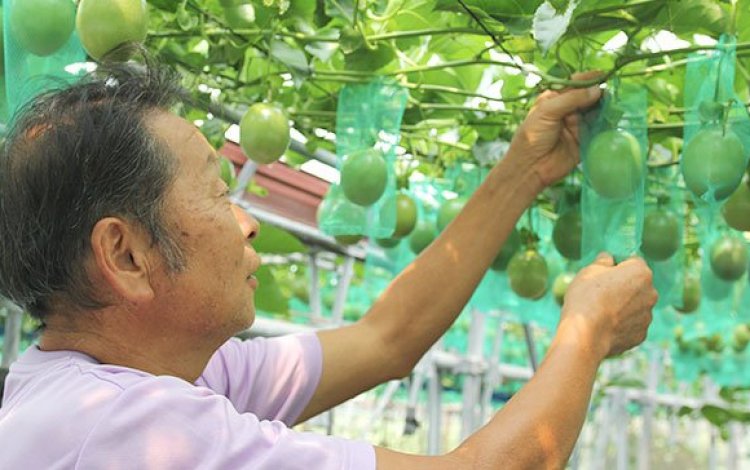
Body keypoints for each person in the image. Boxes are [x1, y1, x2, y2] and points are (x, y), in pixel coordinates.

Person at [0, 61, 656, 469]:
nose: (247, 220)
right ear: (126, 255)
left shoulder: (145, 375)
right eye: (217, 190)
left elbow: (386, 339)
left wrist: (525, 172)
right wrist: (588, 330)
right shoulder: (121, 426)